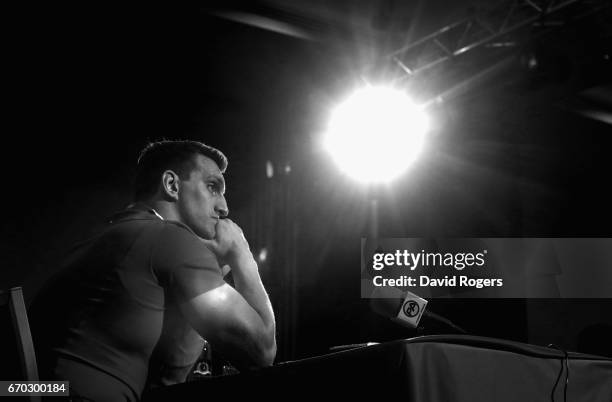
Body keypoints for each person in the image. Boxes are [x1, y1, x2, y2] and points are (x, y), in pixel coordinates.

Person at [29, 140, 276, 401]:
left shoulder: (101, 240)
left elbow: (165, 380)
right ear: (171, 185)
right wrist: (243, 255)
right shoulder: (171, 239)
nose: (224, 208)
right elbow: (262, 352)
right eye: (213, 187)